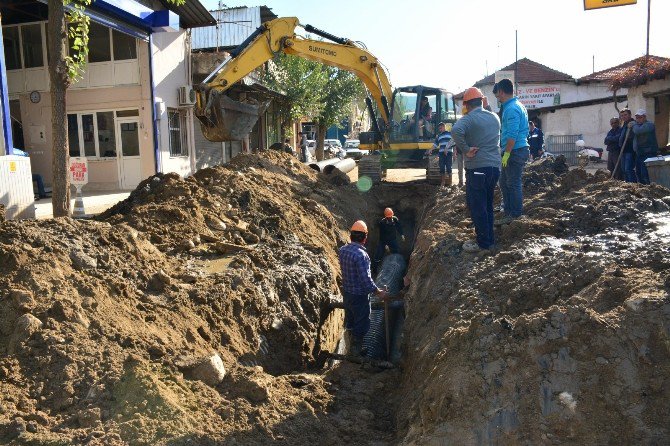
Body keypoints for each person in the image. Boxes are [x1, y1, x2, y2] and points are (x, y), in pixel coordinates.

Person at [451, 87, 501, 253]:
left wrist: (465, 149)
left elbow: (455, 130)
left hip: (478, 169)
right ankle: (489, 240)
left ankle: (483, 244)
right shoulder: (494, 117)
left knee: (478, 207)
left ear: (466, 105)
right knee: (487, 205)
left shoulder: (469, 118)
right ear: (482, 101)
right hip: (494, 168)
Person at [339, 220, 389, 356]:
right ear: (365, 238)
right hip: (359, 296)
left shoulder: (343, 250)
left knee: (350, 318)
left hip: (347, 293)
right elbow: (365, 280)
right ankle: (356, 351)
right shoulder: (362, 256)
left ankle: (349, 344)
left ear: (351, 236)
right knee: (362, 322)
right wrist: (378, 292)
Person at [493, 78, 529, 224]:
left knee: (513, 183)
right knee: (504, 182)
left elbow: (512, 135)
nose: (498, 99)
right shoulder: (516, 105)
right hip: (515, 150)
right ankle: (508, 210)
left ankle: (515, 214)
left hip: (515, 150)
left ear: (501, 92)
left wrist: (507, 153)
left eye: (497, 96)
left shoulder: (512, 108)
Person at [631, 109, 658, 185]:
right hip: (640, 153)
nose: (638, 119)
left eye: (640, 117)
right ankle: (642, 190)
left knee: (645, 174)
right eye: (637, 117)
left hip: (649, 153)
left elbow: (638, 131)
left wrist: (634, 124)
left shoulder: (649, 125)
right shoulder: (637, 125)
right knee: (639, 173)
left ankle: (649, 189)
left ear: (645, 117)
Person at [429, 122, 454, 187]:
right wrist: (431, 149)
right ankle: (443, 182)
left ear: (444, 127)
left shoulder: (450, 134)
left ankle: (450, 182)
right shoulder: (439, 136)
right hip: (441, 153)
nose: (440, 129)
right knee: (442, 167)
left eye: (441, 128)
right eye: (439, 129)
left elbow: (453, 143)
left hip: (448, 153)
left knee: (449, 167)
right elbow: (435, 144)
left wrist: (455, 153)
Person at [618, 109, 637, 183]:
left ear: (630, 115)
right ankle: (627, 185)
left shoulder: (633, 123)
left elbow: (632, 136)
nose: (624, 117)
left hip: (630, 150)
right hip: (623, 150)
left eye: (625, 115)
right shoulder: (624, 125)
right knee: (623, 169)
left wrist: (632, 127)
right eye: (622, 115)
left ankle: (633, 185)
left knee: (628, 169)